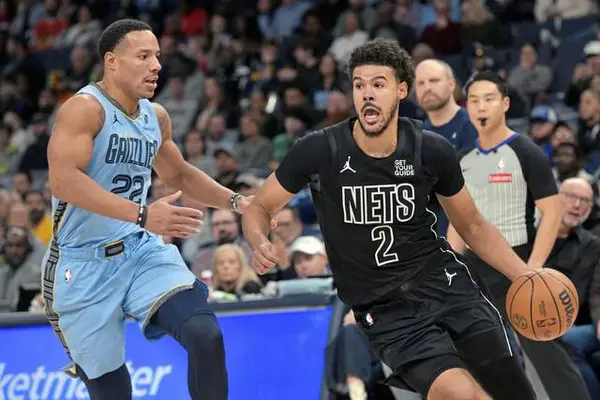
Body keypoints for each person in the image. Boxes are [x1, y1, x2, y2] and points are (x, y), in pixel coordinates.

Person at [242, 38, 537, 400]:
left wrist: (526, 275)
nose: (367, 93)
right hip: (387, 312)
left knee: (513, 392)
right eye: (359, 85)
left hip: (447, 286)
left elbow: (472, 225)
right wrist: (258, 241)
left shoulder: (430, 150)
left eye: (378, 84)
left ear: (401, 90)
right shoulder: (320, 150)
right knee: (460, 394)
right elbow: (259, 206)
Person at [44, 19, 247, 400]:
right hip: (83, 265)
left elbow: (180, 175)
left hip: (140, 250)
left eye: (157, 56)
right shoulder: (84, 109)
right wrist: (142, 214)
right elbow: (64, 181)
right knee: (113, 392)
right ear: (112, 61)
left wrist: (239, 202)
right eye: (143, 56)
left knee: (205, 335)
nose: (156, 65)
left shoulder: (156, 117)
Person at [447, 72, 590, 400]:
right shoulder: (462, 159)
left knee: (548, 355)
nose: (481, 106)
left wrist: (533, 270)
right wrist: (451, 264)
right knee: (478, 358)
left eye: (489, 99)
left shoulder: (526, 151)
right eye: (474, 101)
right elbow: (459, 220)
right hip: (474, 270)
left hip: (517, 263)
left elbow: (552, 213)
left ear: (506, 104)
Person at [414, 58, 479, 236]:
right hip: (430, 237)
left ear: (451, 84)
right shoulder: (416, 136)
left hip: (469, 235)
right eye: (421, 83)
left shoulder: (473, 126)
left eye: (434, 80)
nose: (427, 88)